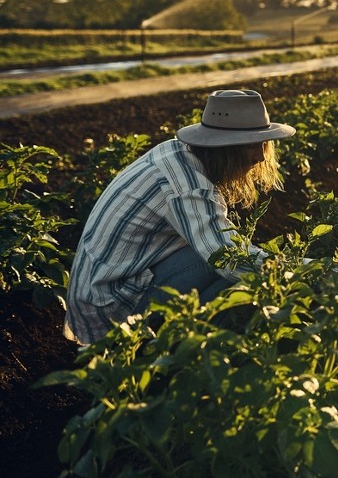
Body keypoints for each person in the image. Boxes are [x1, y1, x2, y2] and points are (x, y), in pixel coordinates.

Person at [64, 89, 296, 345]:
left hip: (101, 292)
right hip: (109, 312)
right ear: (225, 147)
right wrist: (304, 273)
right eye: (252, 145)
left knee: (221, 259)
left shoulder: (178, 153)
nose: (260, 156)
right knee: (233, 277)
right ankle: (189, 353)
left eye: (262, 144)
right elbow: (228, 258)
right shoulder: (188, 185)